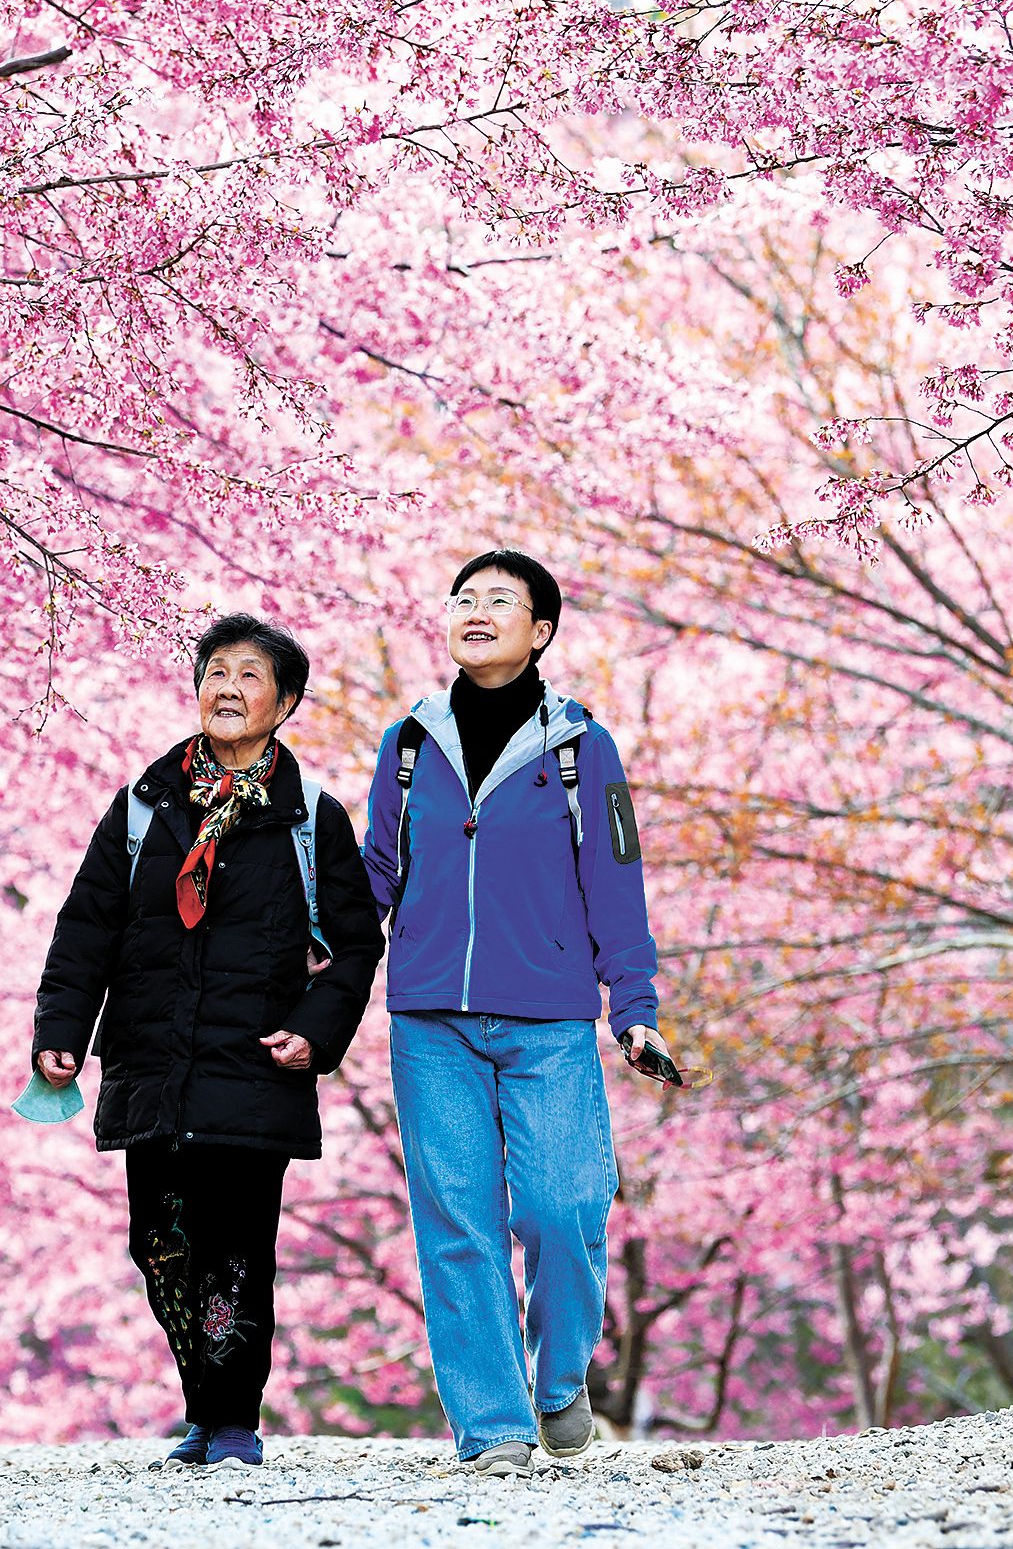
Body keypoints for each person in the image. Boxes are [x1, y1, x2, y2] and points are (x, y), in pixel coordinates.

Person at [32, 614, 385, 1471]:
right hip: (151, 1063)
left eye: (250, 676)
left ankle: (229, 1420)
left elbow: (355, 944)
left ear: (285, 703)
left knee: (235, 1249)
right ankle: (206, 1402)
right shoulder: (142, 807)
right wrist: (61, 1031)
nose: (228, 689)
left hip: (253, 1067)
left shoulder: (311, 819)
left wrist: (315, 1033)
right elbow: (87, 926)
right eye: (216, 672)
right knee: (158, 1244)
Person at [361, 550, 678, 1476]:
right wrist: (315, 949)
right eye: (464, 597)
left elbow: (616, 882)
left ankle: (561, 1374)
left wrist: (635, 1008)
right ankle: (493, 1425)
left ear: (540, 632)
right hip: (431, 1020)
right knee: (457, 1223)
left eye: (500, 600)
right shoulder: (407, 745)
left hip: (550, 1021)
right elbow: (378, 870)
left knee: (564, 1204)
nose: (476, 610)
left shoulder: (582, 749)